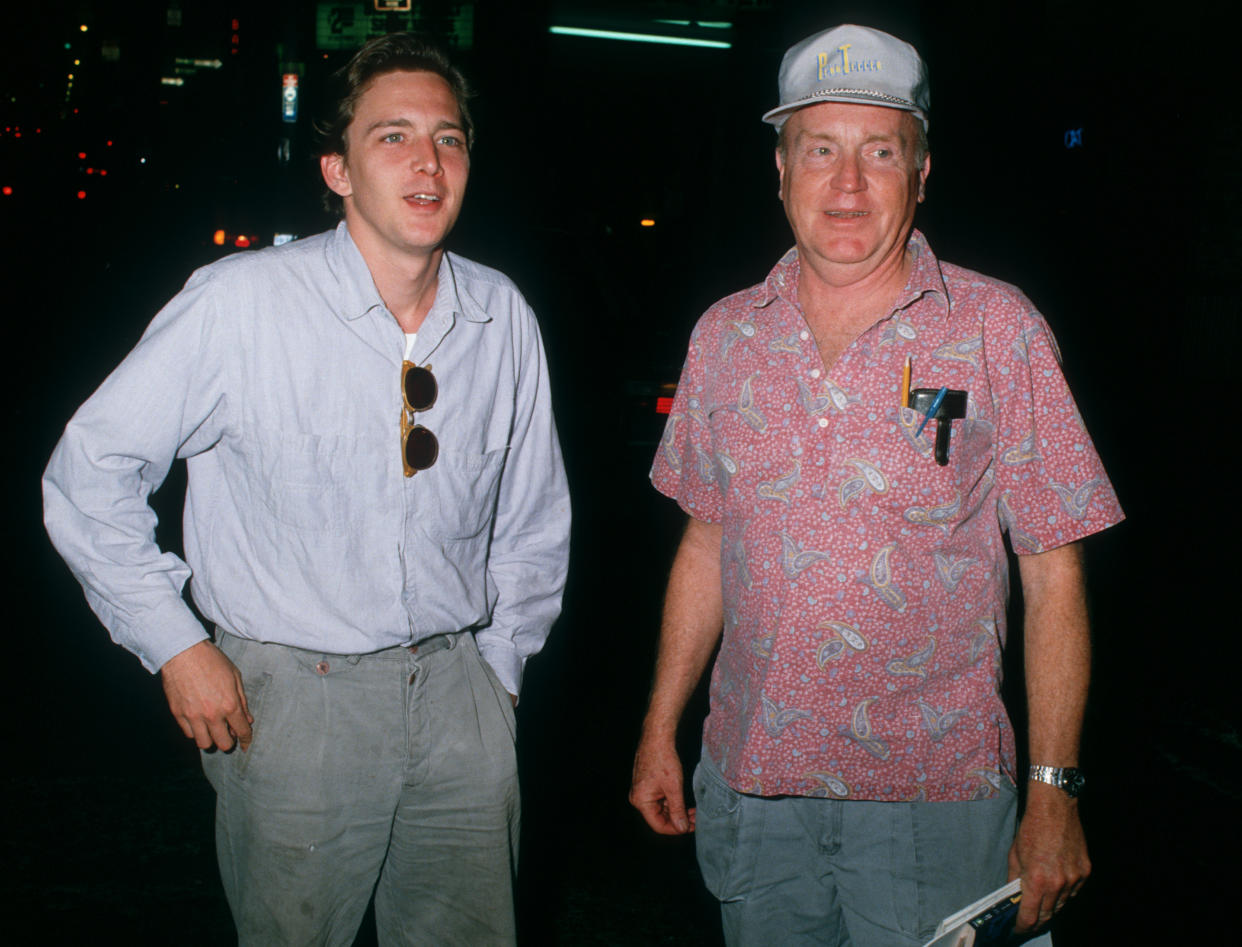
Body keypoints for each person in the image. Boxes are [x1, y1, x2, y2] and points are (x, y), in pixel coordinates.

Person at [43, 32, 569, 946]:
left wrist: (501, 672)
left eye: (448, 138)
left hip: (459, 700)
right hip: (295, 702)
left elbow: (532, 520)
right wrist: (176, 644)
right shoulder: (242, 302)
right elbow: (88, 471)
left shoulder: (501, 315)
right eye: (391, 136)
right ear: (337, 168)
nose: (427, 161)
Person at [629, 23, 1122, 947]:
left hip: (934, 803)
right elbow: (706, 542)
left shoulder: (996, 328)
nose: (847, 183)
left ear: (922, 172)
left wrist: (1055, 793)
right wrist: (662, 723)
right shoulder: (724, 338)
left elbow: (1055, 573)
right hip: (753, 787)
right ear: (779, 169)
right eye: (819, 149)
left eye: (879, 151)